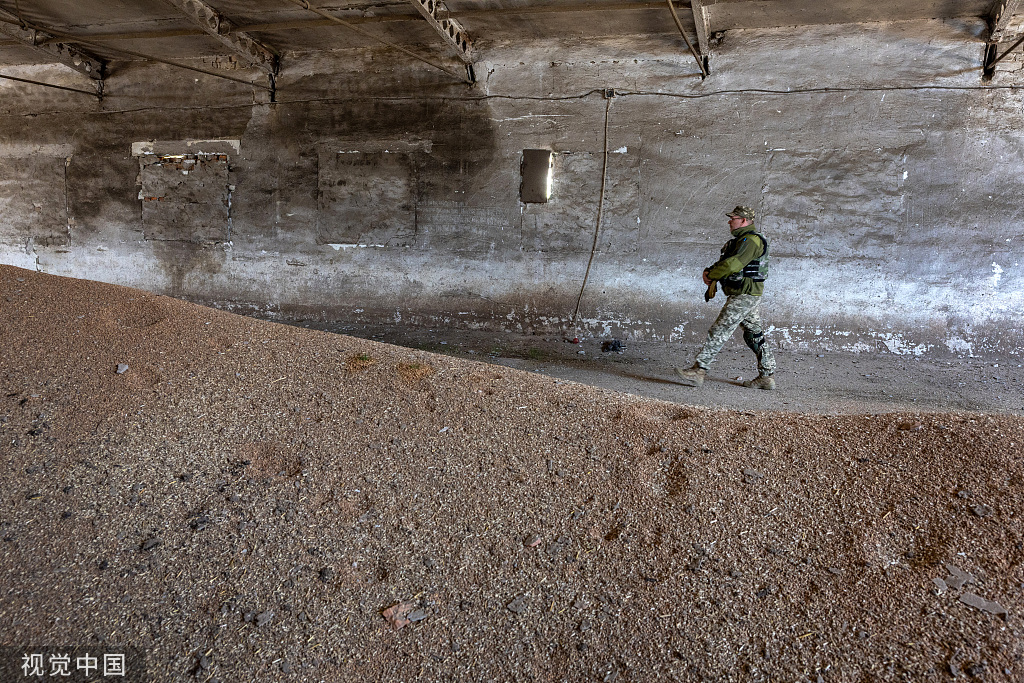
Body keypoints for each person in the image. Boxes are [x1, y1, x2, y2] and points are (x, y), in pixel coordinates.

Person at [674, 205, 776, 390]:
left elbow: (732, 265)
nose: (730, 221)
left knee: (720, 328)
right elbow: (725, 262)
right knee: (754, 335)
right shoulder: (739, 241)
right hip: (745, 294)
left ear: (744, 221)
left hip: (744, 295)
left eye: (733, 218)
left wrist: (712, 274)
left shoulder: (751, 241)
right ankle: (767, 376)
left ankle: (699, 370)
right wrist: (709, 271)